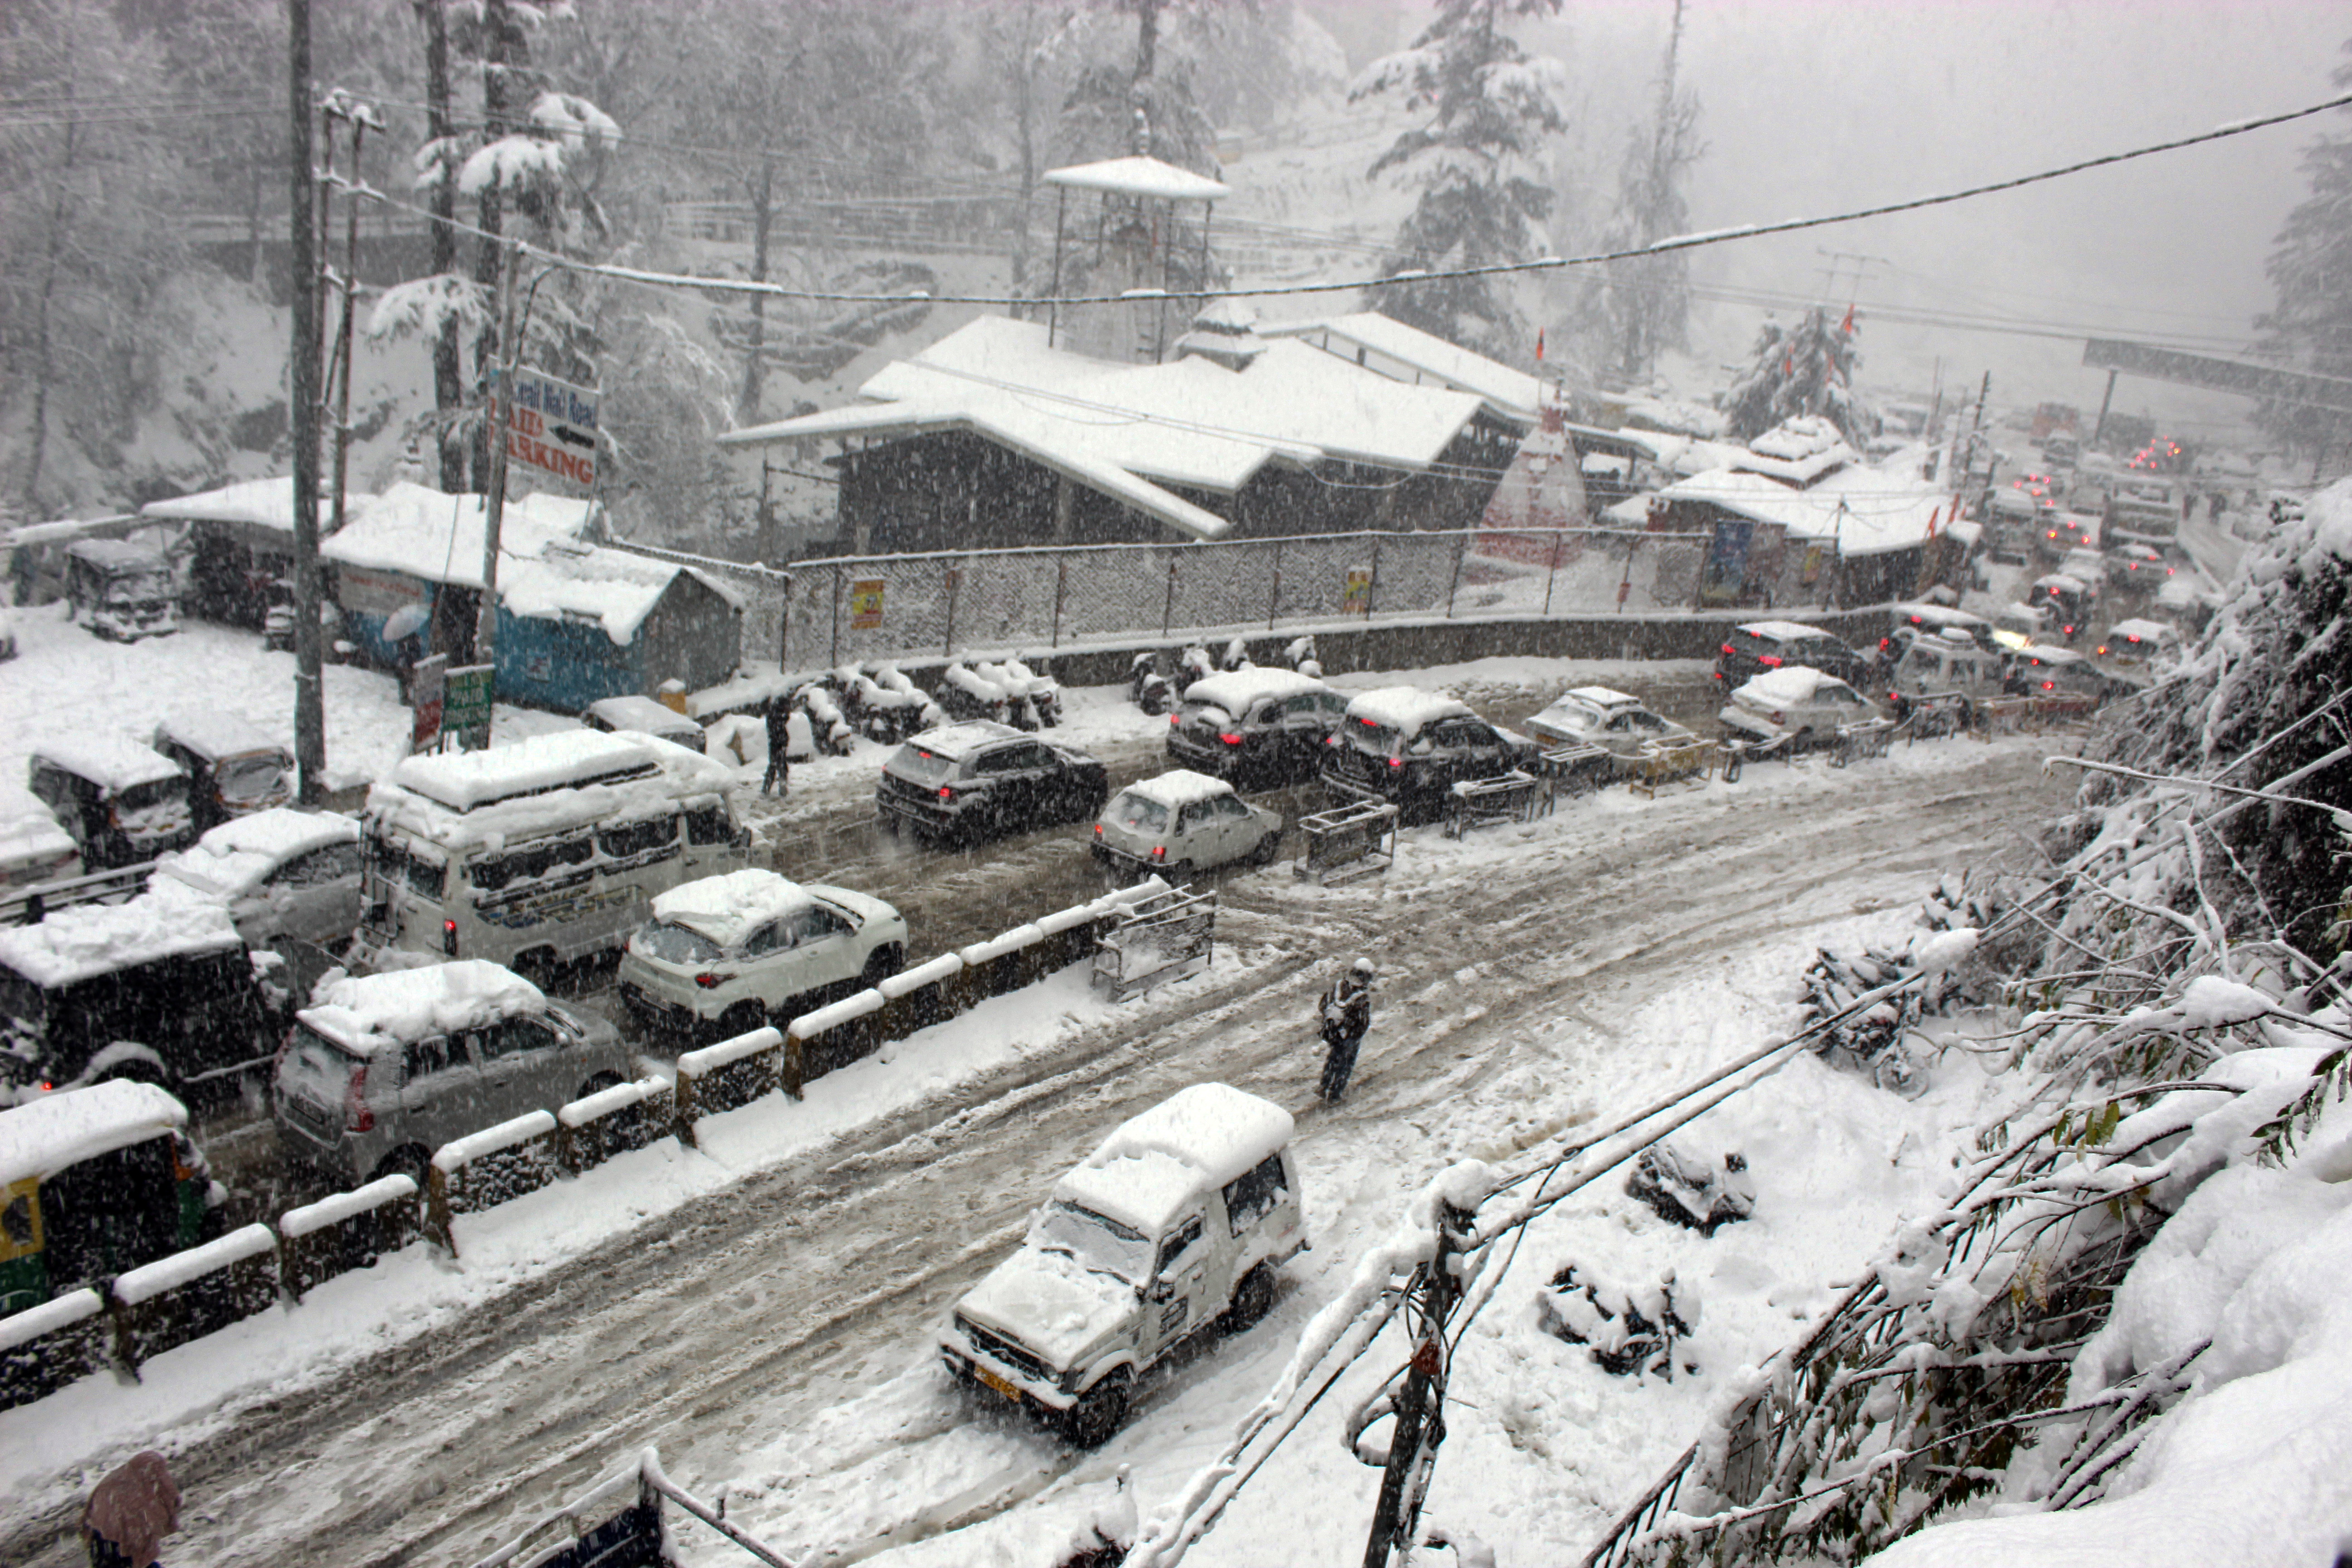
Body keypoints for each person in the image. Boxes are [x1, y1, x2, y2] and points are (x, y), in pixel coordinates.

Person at [82, 1450, 178, 1568]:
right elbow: (169, 1496)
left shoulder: (121, 1478)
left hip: (100, 1538)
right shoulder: (135, 1491)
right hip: (117, 1541)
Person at [1318, 957, 1375, 1103]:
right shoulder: (1362, 998)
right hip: (1350, 1036)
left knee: (1333, 1058)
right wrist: (1353, 1034)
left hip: (1334, 1032)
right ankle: (1335, 1094)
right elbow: (1364, 1023)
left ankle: (1324, 1086)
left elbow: (1323, 1005)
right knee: (1346, 1064)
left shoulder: (1338, 987)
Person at [761, 693, 792, 798]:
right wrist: (785, 715)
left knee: (777, 766)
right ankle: (773, 789)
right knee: (777, 766)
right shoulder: (776, 715)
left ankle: (771, 788)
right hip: (777, 744)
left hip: (778, 743)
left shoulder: (775, 713)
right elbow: (779, 725)